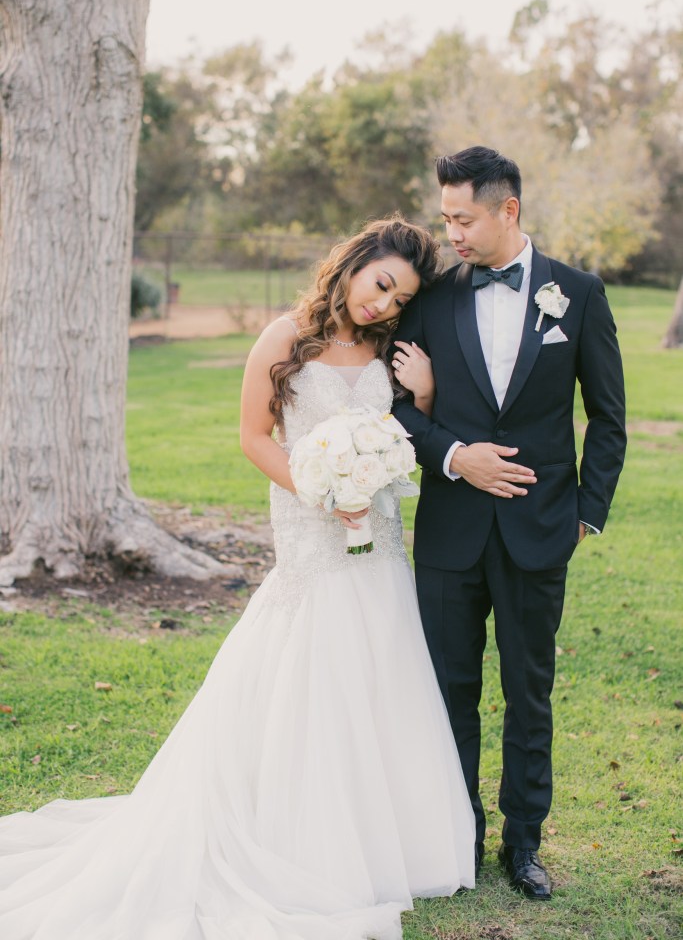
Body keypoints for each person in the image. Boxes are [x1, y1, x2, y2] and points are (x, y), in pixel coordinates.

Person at [0, 216, 475, 940]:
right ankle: (299, 839)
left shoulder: (392, 351)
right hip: (312, 532)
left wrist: (428, 393)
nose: (383, 305)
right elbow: (254, 436)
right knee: (309, 676)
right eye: (381, 285)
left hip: (378, 541)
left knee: (381, 673)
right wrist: (321, 490)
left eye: (400, 299)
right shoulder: (285, 336)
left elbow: (405, 436)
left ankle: (390, 844)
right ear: (354, 262)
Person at [392, 147, 626, 900]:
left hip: (541, 530)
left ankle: (523, 844)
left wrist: (586, 515)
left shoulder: (578, 294)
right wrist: (455, 455)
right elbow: (394, 409)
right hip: (449, 532)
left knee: (529, 694)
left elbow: (608, 417)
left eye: (463, 219)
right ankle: (455, 838)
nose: (451, 233)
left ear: (508, 209)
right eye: (445, 218)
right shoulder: (431, 298)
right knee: (448, 690)